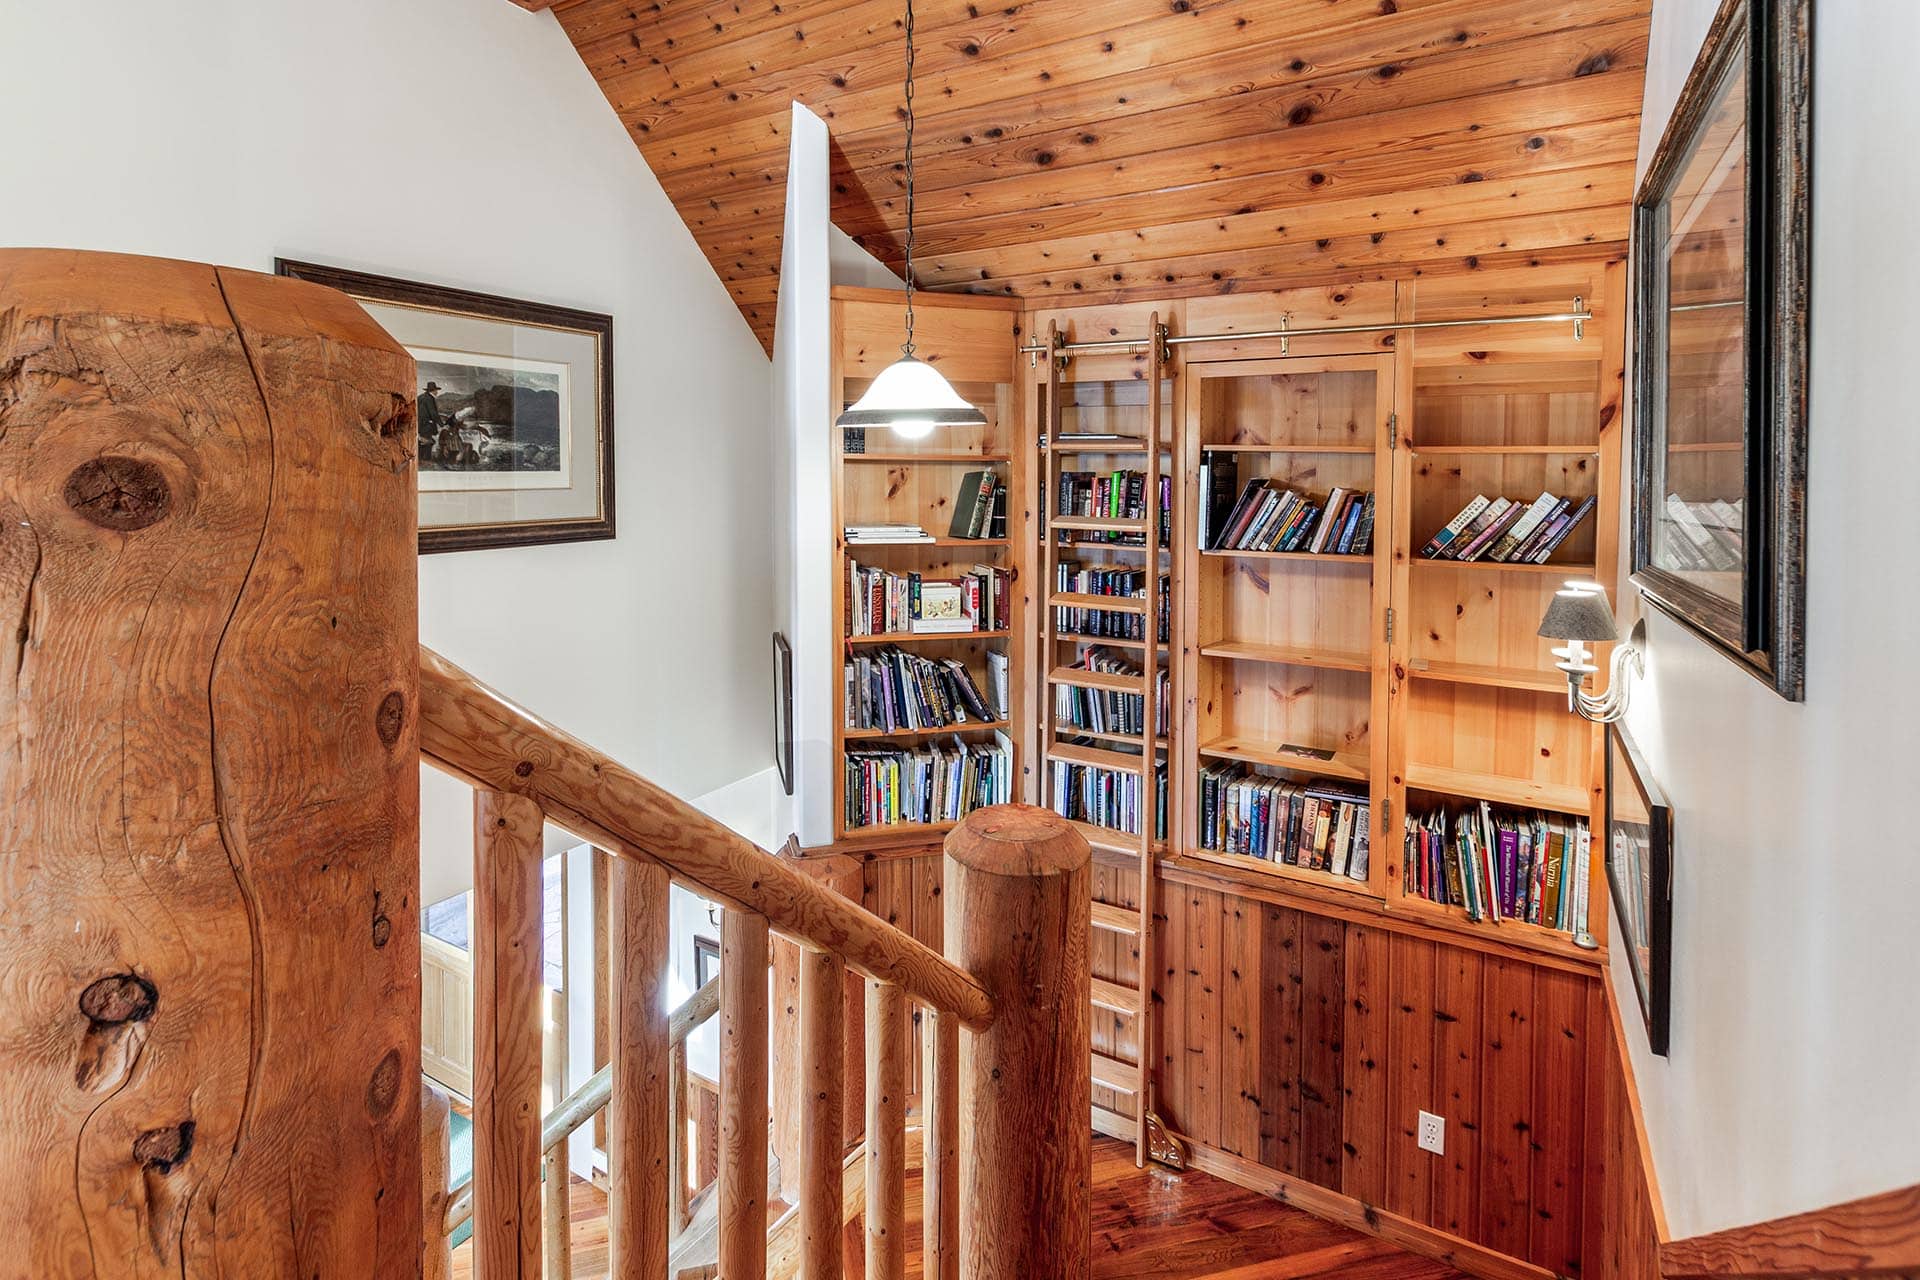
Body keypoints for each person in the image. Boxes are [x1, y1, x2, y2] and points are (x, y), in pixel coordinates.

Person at [416, 381, 443, 462]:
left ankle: (420, 459)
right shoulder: (430, 399)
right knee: (428, 442)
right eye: (436, 390)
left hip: (419, 424)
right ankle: (426, 460)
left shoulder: (420, 397)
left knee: (421, 442)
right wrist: (441, 424)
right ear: (433, 390)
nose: (437, 392)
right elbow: (433, 413)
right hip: (427, 425)